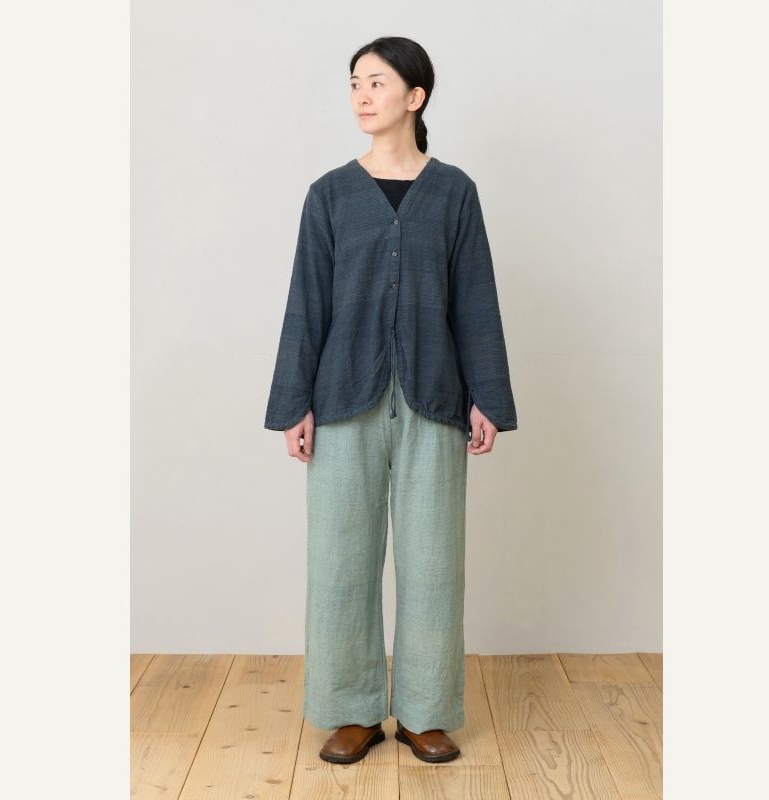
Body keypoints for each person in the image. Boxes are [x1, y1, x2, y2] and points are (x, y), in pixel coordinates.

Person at [264, 36, 518, 764]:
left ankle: (425, 712)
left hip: (436, 396)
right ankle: (351, 709)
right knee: (340, 560)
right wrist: (294, 403)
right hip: (341, 398)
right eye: (354, 84)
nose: (362, 96)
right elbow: (306, 304)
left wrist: (487, 397)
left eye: (376, 82)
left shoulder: (455, 192)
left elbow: (476, 302)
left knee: (434, 563)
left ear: (416, 96)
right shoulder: (329, 194)